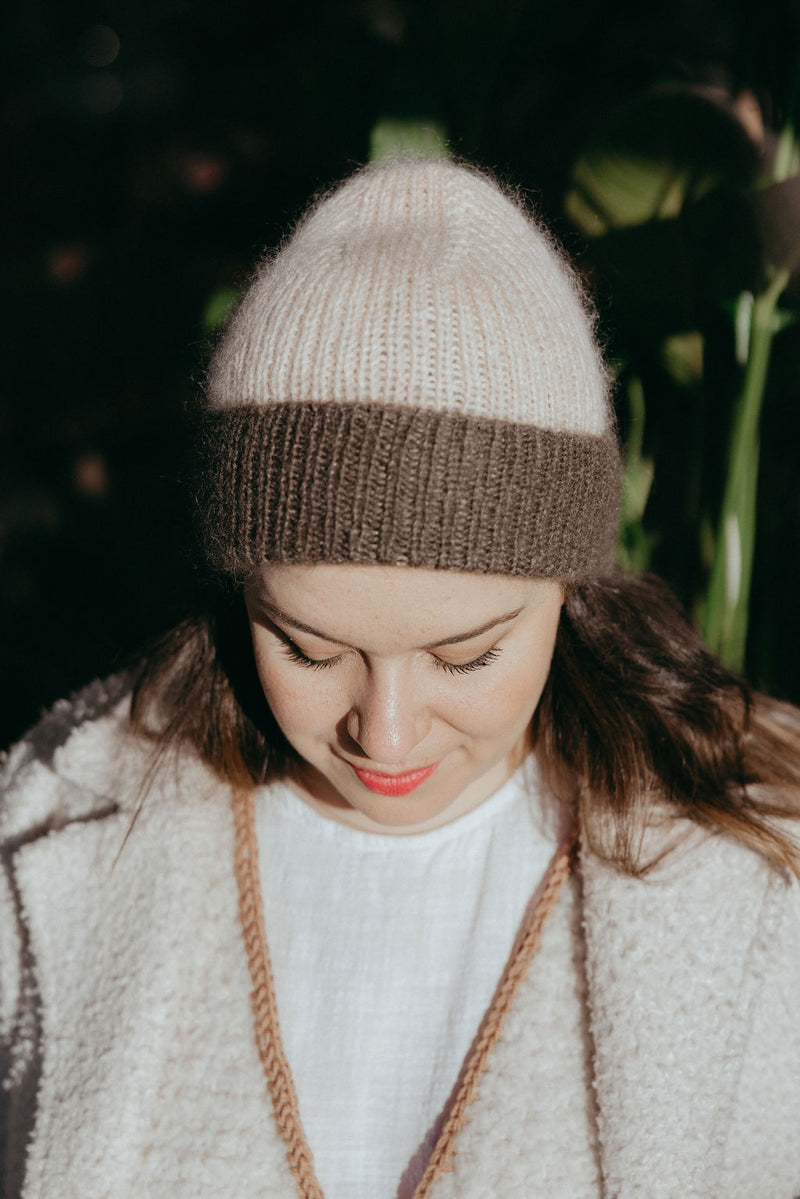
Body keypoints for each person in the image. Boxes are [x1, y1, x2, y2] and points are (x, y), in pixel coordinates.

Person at [1, 156, 799, 1199]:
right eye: (306, 646)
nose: (383, 734)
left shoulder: (760, 865)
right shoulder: (47, 838)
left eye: (465, 654)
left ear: (572, 588)